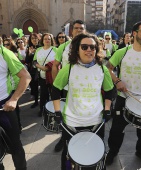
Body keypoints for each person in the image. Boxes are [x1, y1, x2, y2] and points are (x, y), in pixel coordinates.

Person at [51, 33, 113, 170]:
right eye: (84, 47)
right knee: (69, 154)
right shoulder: (69, 68)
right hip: (73, 121)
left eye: (92, 47)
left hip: (96, 121)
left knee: (95, 153)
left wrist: (107, 109)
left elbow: (110, 91)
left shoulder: (102, 69)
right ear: (77, 49)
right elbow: (55, 90)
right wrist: (57, 112)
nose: (89, 50)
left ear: (97, 50)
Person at [106, 20, 141, 168]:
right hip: (124, 98)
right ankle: (112, 152)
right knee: (116, 130)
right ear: (134, 33)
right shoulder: (122, 52)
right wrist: (117, 81)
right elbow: (108, 68)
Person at [52, 20, 86, 152]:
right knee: (67, 116)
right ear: (71, 31)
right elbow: (55, 65)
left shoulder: (90, 45)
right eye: (76, 28)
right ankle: (63, 138)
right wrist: (57, 84)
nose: (78, 30)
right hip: (68, 89)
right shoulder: (63, 46)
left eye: (81, 28)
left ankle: (83, 137)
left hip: (86, 90)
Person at [0, 45, 31, 170]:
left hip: (4, 108)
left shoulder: (5, 53)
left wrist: (13, 99)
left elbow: (26, 76)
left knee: (15, 146)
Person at [33, 33, 57, 117]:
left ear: (51, 40)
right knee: (43, 94)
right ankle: (43, 109)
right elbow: (34, 61)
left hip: (52, 76)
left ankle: (55, 110)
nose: (47, 40)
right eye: (45, 39)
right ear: (42, 40)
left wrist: (48, 67)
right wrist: (40, 67)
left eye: (49, 39)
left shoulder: (55, 50)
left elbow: (58, 62)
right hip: (42, 76)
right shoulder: (38, 50)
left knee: (53, 94)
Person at [25, 33, 40, 108]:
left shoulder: (41, 47)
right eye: (32, 38)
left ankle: (44, 101)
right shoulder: (29, 48)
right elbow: (27, 61)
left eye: (36, 38)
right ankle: (36, 101)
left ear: (38, 39)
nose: (34, 40)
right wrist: (30, 54)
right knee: (34, 86)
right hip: (33, 70)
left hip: (41, 69)